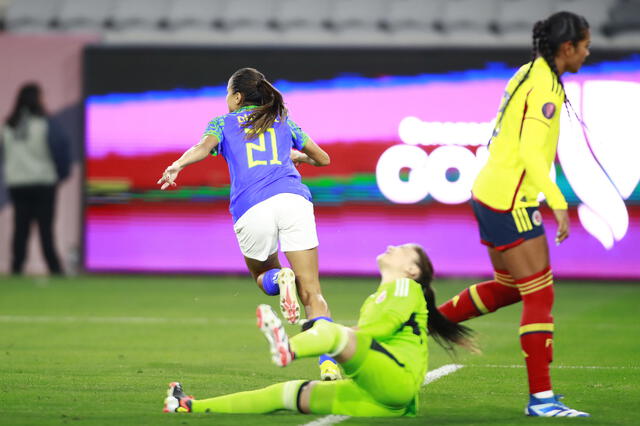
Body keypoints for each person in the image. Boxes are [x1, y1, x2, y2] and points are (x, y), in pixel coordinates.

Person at [437, 12, 591, 417]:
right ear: (567, 48)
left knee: (510, 286)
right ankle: (542, 399)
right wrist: (556, 201)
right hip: (511, 200)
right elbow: (528, 152)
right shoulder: (545, 88)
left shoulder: (529, 72)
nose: (589, 52)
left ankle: (425, 321)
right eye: (585, 44)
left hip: (490, 191)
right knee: (540, 293)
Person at [157, 68, 339, 379]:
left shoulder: (222, 123)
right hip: (293, 200)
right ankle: (328, 363)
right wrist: (300, 158)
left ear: (237, 97)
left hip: (252, 208)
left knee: (262, 272)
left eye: (227, 94)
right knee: (312, 290)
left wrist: (177, 165)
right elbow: (323, 158)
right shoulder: (283, 119)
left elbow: (202, 148)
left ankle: (279, 278)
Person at [163, 243, 474, 417]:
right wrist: (335, 337)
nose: (393, 246)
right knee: (286, 394)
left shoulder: (407, 287)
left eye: (405, 248)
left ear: (413, 270)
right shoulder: (377, 298)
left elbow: (380, 328)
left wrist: (334, 336)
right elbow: (371, 335)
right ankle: (189, 406)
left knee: (331, 329)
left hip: (396, 380)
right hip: (380, 395)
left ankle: (288, 348)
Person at [1, 83, 71, 275]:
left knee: (20, 228)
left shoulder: (8, 126)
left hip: (18, 183)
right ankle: (54, 268)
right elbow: (61, 150)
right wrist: (61, 174)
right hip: (43, 182)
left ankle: (17, 267)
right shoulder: (45, 123)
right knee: (45, 229)